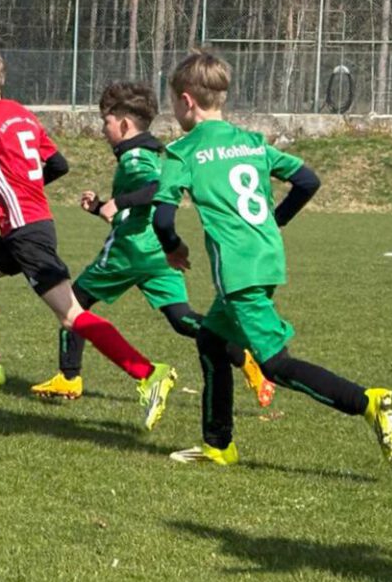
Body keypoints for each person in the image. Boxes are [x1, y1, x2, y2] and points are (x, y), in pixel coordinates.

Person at [0, 40, 177, 431]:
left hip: (26, 234)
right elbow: (58, 164)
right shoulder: (21, 114)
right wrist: (26, 188)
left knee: (71, 315)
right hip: (28, 226)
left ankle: (148, 373)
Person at [152, 50, 392, 465]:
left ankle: (369, 402)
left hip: (238, 272)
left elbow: (162, 217)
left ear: (186, 101)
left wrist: (172, 247)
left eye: (174, 104)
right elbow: (307, 180)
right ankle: (218, 444)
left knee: (274, 364)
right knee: (212, 340)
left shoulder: (183, 151)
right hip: (267, 258)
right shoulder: (252, 142)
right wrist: (276, 219)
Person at [31, 81, 275, 408]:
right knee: (181, 318)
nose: (103, 130)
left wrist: (118, 202)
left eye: (106, 122)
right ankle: (244, 357)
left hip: (129, 251)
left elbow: (156, 187)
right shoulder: (149, 153)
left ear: (124, 124)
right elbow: (141, 202)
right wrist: (101, 206)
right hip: (158, 252)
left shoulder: (134, 158)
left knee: (71, 304)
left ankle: (69, 377)